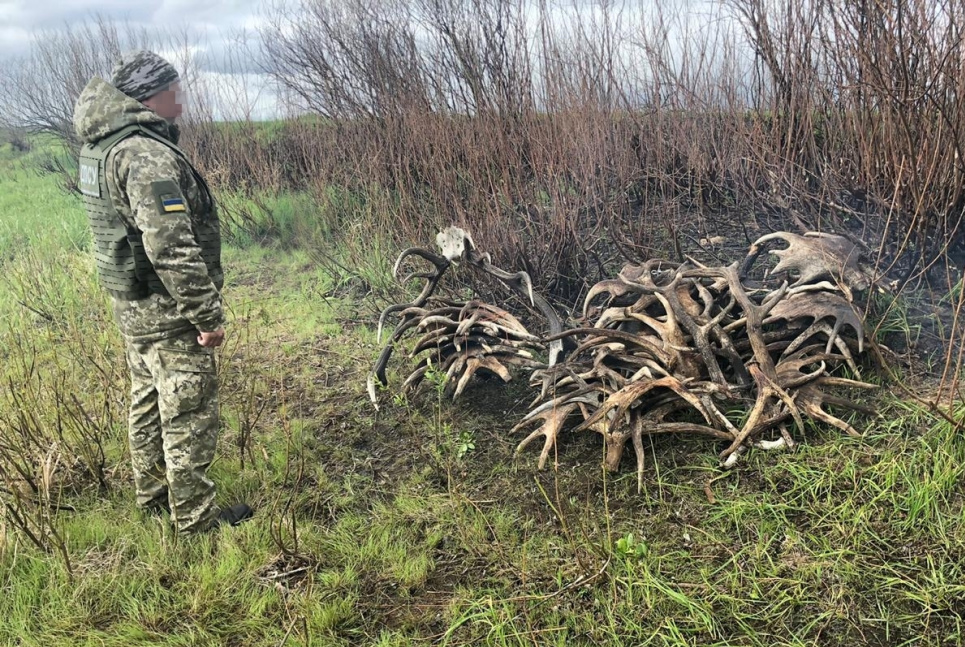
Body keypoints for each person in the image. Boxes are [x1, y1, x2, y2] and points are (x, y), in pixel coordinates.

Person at [73, 50, 252, 533]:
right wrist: (206, 315)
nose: (182, 98)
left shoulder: (106, 144)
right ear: (153, 95)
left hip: (132, 303)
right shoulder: (144, 154)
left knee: (148, 399)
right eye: (176, 90)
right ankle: (195, 522)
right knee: (188, 409)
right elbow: (170, 247)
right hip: (166, 307)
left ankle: (152, 497)